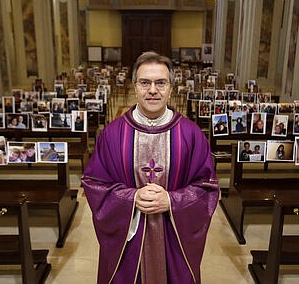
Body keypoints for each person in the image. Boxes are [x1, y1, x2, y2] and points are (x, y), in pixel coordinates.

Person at [81, 52, 219, 283]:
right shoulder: (112, 135)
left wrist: (173, 201)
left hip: (174, 239)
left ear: (171, 88)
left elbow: (207, 189)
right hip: (129, 240)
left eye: (160, 83)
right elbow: (95, 185)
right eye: (145, 82)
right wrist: (130, 198)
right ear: (135, 87)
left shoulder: (191, 135)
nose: (152, 90)